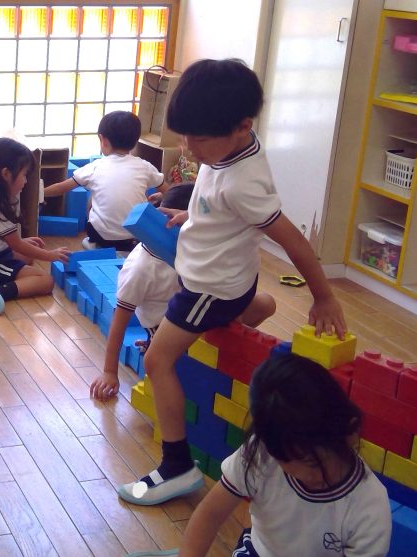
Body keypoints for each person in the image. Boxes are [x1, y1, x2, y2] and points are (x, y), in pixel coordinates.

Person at [118, 58, 347, 505]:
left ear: (243, 126)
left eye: (198, 140)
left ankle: (177, 467)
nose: (188, 148)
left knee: (157, 361)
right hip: (228, 277)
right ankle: (251, 309)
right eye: (185, 136)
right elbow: (218, 202)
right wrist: (191, 215)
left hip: (208, 290)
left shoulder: (243, 182)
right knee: (222, 322)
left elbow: (294, 241)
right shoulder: (228, 149)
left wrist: (324, 297)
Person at [180, 354, 391, 556]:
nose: (306, 476)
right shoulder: (261, 453)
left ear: (350, 433)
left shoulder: (368, 506)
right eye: (287, 466)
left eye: (312, 463)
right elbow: (210, 514)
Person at [90, 183, 193, 401]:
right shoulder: (141, 269)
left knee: (263, 303)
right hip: (164, 326)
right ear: (171, 223)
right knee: (172, 370)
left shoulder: (186, 248)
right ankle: (153, 343)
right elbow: (119, 322)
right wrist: (110, 372)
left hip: (190, 315)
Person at [0, 138, 71, 315]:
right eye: (24, 175)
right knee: (46, 281)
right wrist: (50, 255)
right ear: (6, 173)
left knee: (30, 252)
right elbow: (16, 244)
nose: (26, 181)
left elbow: (5, 238)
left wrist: (24, 244)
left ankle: (2, 280)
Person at [44, 111, 165, 252]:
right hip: (135, 238)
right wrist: (161, 196)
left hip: (101, 237)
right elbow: (169, 191)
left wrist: (39, 193)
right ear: (135, 141)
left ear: (103, 140)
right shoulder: (145, 167)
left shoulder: (95, 167)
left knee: (92, 197)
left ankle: (96, 241)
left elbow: (61, 188)